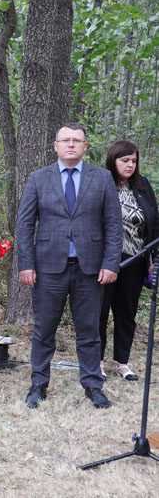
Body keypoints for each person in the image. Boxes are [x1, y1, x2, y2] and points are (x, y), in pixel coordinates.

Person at [17, 122, 122, 409]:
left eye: (77, 140)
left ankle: (92, 386)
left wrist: (111, 262)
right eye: (65, 140)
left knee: (89, 330)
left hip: (90, 268)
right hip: (49, 267)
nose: (71, 144)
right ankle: (38, 384)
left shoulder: (102, 179)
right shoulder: (39, 178)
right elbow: (25, 225)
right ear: (56, 146)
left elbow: (114, 225)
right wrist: (25, 263)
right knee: (43, 330)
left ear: (86, 146)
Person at [99, 140, 159, 381]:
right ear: (113, 160)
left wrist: (154, 258)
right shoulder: (102, 183)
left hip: (135, 260)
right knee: (99, 312)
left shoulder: (143, 186)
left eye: (134, 161)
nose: (130, 165)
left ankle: (122, 363)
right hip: (105, 261)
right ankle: (97, 361)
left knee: (126, 313)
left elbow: (154, 223)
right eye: (125, 160)